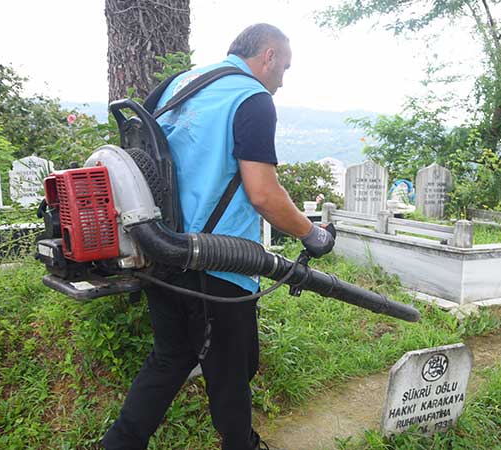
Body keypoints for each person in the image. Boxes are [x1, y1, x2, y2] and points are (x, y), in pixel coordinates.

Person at [102, 24, 334, 450]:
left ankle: (118, 444)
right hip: (218, 261)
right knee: (232, 369)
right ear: (267, 56)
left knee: (171, 357)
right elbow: (263, 193)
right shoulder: (253, 98)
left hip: (160, 248)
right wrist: (313, 234)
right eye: (284, 67)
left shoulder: (179, 83)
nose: (283, 78)